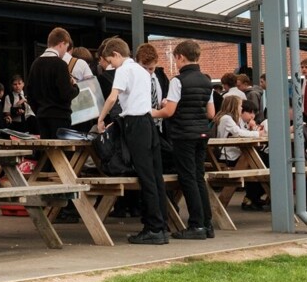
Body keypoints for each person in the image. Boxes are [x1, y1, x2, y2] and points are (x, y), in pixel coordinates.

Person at [96, 36, 168, 245]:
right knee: (155, 175)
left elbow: (113, 98)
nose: (111, 65)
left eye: (111, 60)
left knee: (145, 176)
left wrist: (101, 118)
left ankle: (153, 228)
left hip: (135, 124)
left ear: (116, 54)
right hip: (148, 122)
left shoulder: (123, 70)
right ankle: (161, 225)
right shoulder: (142, 70)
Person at [154, 39, 217, 240]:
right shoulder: (206, 81)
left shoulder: (178, 81)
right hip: (202, 133)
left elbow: (169, 111)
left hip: (183, 134)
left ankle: (196, 225)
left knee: (187, 178)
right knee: (199, 177)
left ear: (180, 57)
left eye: (176, 59)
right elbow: (211, 113)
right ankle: (207, 224)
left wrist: (151, 112)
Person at [27, 27, 95, 139]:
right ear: (61, 44)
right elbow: (66, 94)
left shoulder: (36, 63)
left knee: (46, 148)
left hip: (42, 117)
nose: (65, 52)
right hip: (60, 117)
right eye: (66, 47)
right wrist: (75, 86)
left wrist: (39, 111)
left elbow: (30, 94)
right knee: (61, 148)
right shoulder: (60, 64)